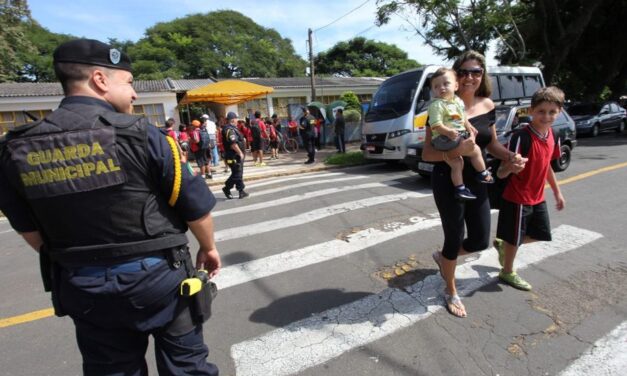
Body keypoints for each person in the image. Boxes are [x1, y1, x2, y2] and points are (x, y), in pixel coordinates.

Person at [0, 39, 220, 375]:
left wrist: (78, 258)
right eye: (129, 83)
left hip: (82, 286)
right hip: (159, 281)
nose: (134, 94)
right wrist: (209, 248)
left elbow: (27, 228)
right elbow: (195, 208)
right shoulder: (141, 134)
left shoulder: (16, 148)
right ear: (100, 80)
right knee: (186, 367)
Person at [424, 50, 526, 318]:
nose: (470, 77)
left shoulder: (487, 105)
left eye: (476, 72)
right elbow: (427, 154)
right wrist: (454, 153)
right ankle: (450, 290)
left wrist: (511, 156)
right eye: (464, 72)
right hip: (449, 180)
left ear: (483, 76)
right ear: (456, 76)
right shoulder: (440, 106)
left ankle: (444, 258)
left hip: (479, 180)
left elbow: (491, 143)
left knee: (480, 239)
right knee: (454, 236)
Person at [493, 87, 566, 291]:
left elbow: (548, 166)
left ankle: (504, 245)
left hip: (537, 196)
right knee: (515, 238)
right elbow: (501, 172)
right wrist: (511, 167)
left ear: (559, 112)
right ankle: (507, 271)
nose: (546, 116)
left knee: (541, 233)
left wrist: (557, 192)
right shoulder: (521, 137)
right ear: (531, 111)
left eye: (552, 112)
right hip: (517, 197)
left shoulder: (554, 134)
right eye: (541, 111)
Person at [427, 67, 494, 201]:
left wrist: (469, 127)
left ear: (456, 85)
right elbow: (435, 124)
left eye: (446, 84)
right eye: (436, 86)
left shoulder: (457, 101)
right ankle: (482, 173)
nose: (442, 88)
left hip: (452, 136)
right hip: (442, 138)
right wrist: (449, 132)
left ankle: (460, 188)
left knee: (457, 163)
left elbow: (463, 118)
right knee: (475, 150)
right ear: (433, 91)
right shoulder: (437, 105)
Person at [221, 112, 249, 199]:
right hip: (233, 156)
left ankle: (241, 191)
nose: (237, 121)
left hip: (234, 155)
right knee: (237, 173)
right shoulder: (230, 130)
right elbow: (233, 144)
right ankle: (227, 188)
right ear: (233, 119)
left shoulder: (232, 128)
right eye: (236, 119)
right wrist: (240, 153)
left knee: (238, 173)